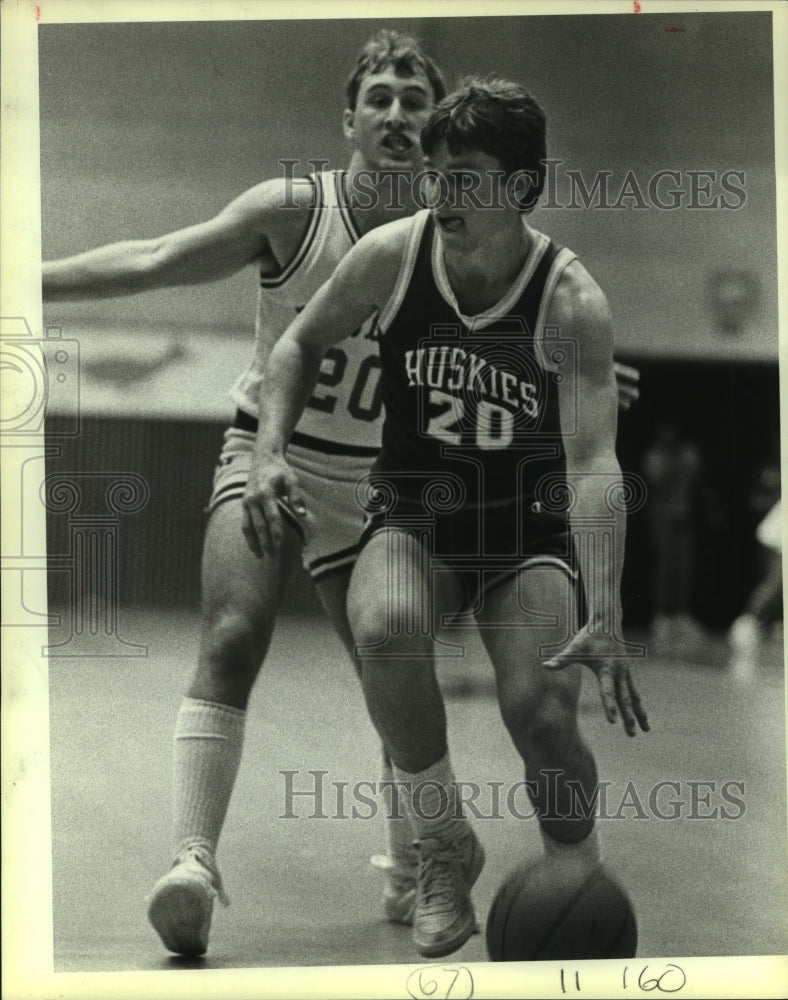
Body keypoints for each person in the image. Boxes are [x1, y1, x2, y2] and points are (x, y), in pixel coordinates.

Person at [42, 35, 639, 957]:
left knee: (425, 675)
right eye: (382, 100)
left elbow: (577, 424)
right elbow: (169, 262)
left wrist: (567, 371)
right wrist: (24, 280)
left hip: (415, 488)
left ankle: (423, 864)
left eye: (416, 102)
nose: (399, 119)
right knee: (261, 634)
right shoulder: (317, 220)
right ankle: (199, 862)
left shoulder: (551, 284)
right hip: (299, 459)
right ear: (350, 120)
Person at [244, 77, 650, 959]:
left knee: (540, 712)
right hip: (415, 515)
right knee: (383, 626)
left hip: (521, 532)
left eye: (465, 177)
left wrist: (607, 611)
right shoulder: (394, 255)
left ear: (521, 189)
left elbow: (590, 463)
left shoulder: (570, 298)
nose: (441, 193)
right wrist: (270, 450)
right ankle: (440, 846)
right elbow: (298, 343)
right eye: (436, 174)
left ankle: (575, 871)